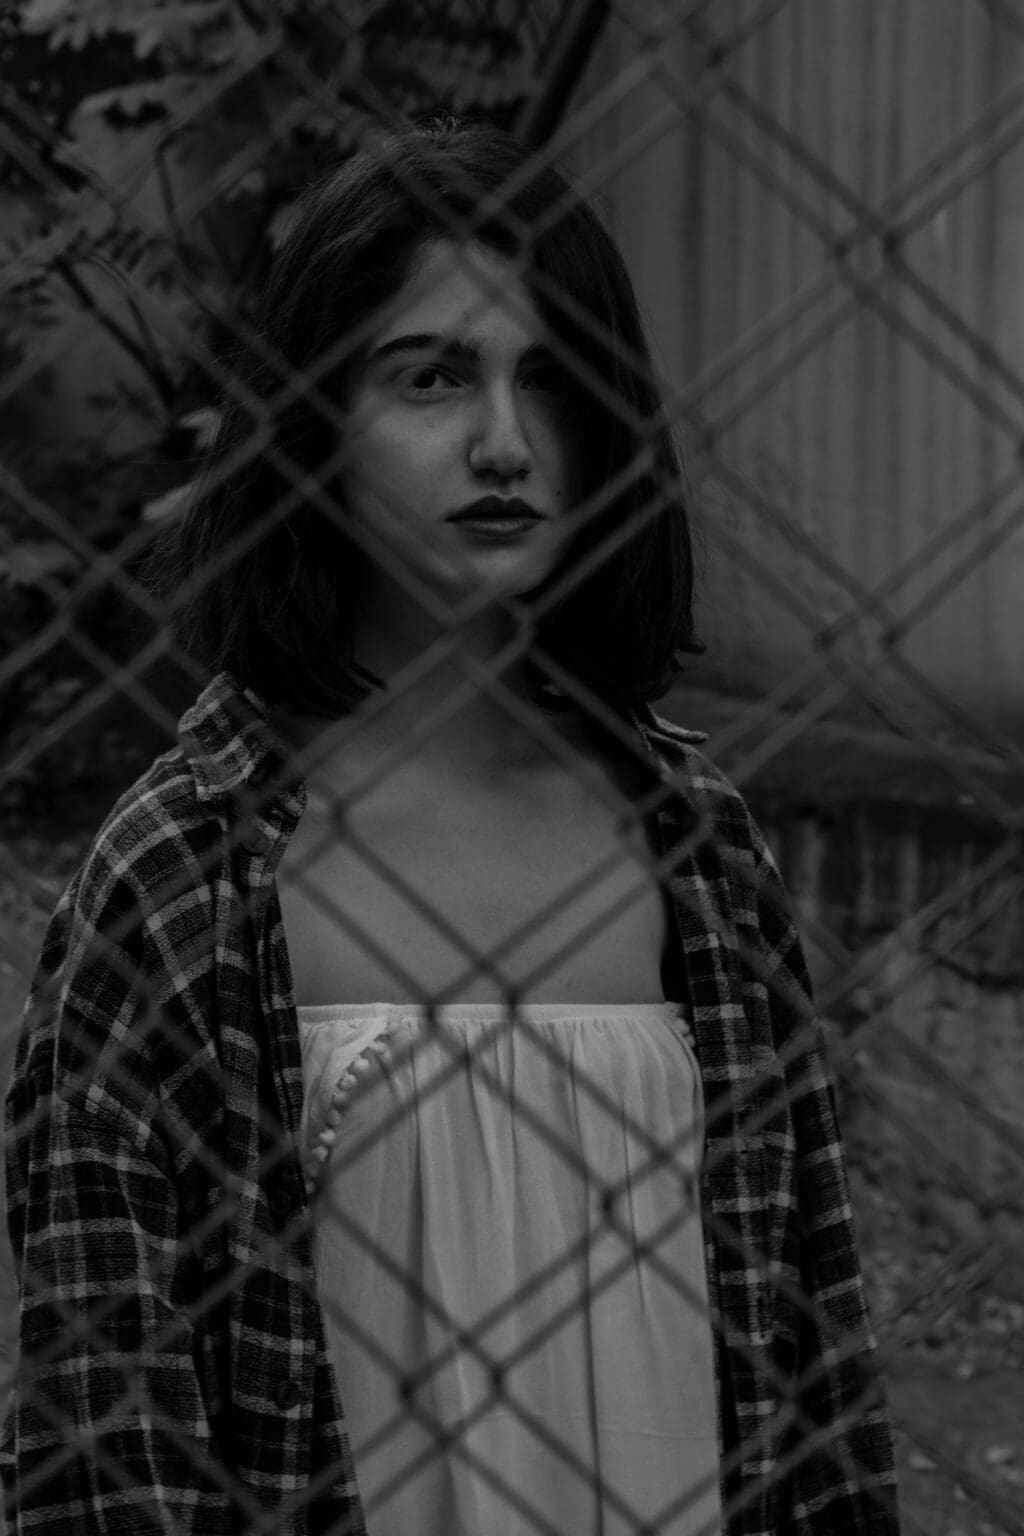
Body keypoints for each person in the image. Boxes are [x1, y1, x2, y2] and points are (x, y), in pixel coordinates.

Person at [3, 118, 900, 1535]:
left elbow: (815, 1382)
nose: (503, 442)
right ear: (314, 425)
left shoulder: (701, 852)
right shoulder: (186, 875)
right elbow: (103, 1444)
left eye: (551, 381)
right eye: (432, 377)